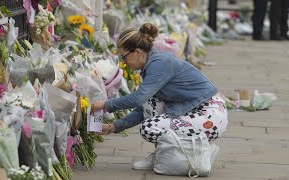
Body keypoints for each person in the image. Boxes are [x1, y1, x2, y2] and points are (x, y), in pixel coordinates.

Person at [91, 23, 228, 170]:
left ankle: (200, 151)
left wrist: (106, 105)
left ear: (137, 52)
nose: (123, 63)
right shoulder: (154, 63)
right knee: (151, 103)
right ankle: (164, 155)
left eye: (124, 57)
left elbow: (137, 98)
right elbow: (143, 106)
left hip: (210, 115)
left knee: (149, 127)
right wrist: (113, 127)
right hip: (195, 110)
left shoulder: (160, 63)